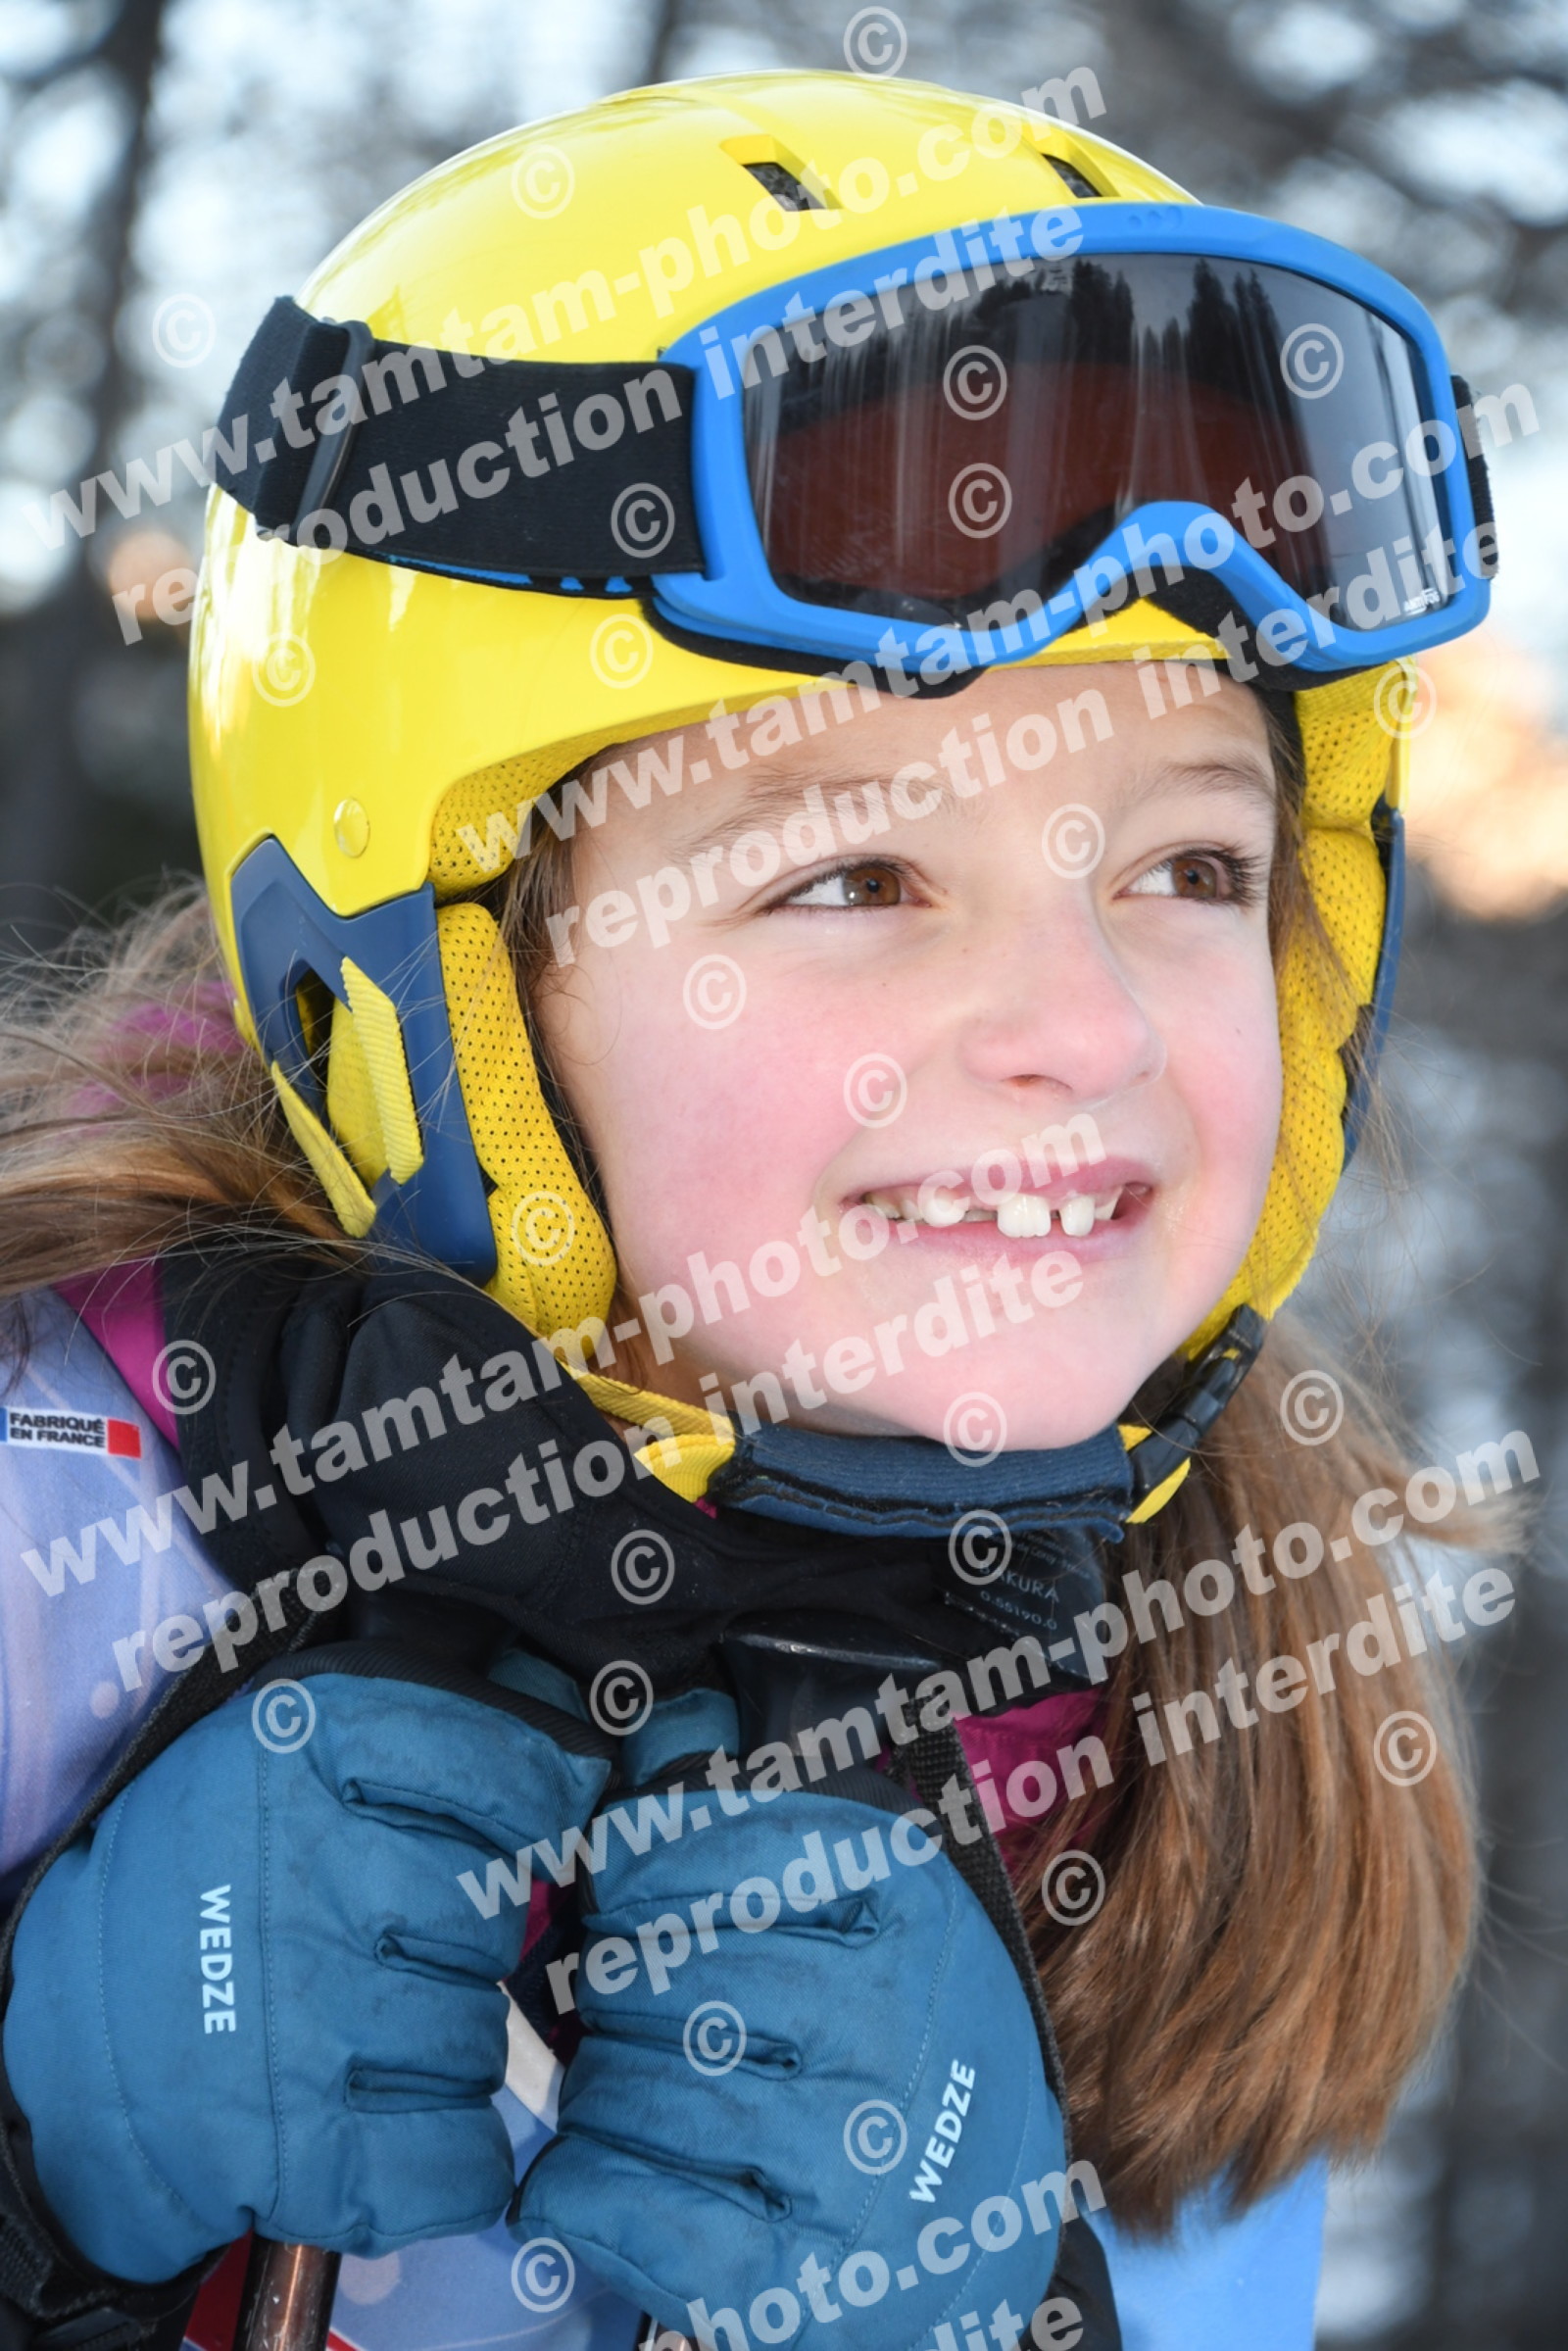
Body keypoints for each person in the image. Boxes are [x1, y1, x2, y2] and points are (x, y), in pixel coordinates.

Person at [0, 69, 1504, 2351]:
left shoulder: (1228, 1692)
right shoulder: (59, 1542)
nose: (1084, 1023)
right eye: (853, 878)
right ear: (425, 974)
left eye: (1189, 866)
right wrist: (37, 2194)